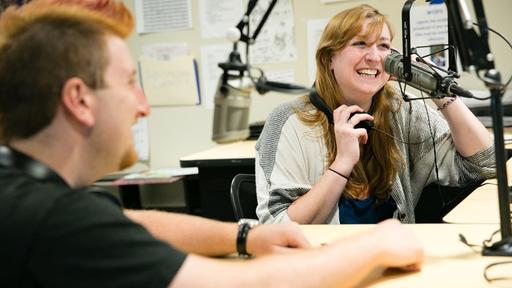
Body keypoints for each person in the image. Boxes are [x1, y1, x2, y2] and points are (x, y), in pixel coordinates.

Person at [0, 2, 423, 287]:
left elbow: (133, 223)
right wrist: (376, 244)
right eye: (130, 83)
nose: (143, 106)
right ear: (79, 100)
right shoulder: (52, 220)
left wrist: (243, 237)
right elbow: (242, 284)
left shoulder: (24, 184)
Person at [255, 4, 495, 224]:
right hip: (323, 263)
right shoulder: (289, 121)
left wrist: (437, 89)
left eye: (383, 46)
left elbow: (485, 164)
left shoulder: (401, 110)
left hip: (391, 259)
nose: (373, 57)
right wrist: (343, 163)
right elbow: (277, 228)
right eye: (360, 44)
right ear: (330, 58)